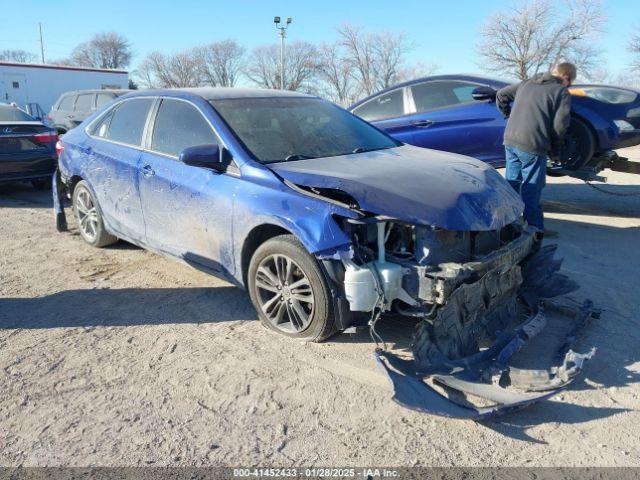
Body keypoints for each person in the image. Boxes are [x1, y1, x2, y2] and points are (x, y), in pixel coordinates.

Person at [496, 62, 576, 240]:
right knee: (532, 187)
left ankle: (504, 225)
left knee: (511, 184)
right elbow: (560, 125)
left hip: (510, 139)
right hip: (533, 144)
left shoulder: (527, 83)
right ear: (566, 77)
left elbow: (501, 94)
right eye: (571, 82)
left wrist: (507, 115)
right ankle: (534, 229)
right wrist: (556, 149)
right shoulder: (561, 91)